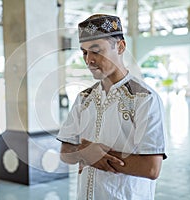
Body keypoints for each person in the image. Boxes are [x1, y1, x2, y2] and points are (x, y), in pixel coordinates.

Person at [57, 14, 167, 200]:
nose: (89, 60)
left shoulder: (144, 99)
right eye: (84, 52)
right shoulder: (84, 99)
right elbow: (65, 153)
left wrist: (92, 155)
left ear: (121, 46)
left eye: (96, 51)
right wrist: (85, 152)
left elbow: (151, 168)